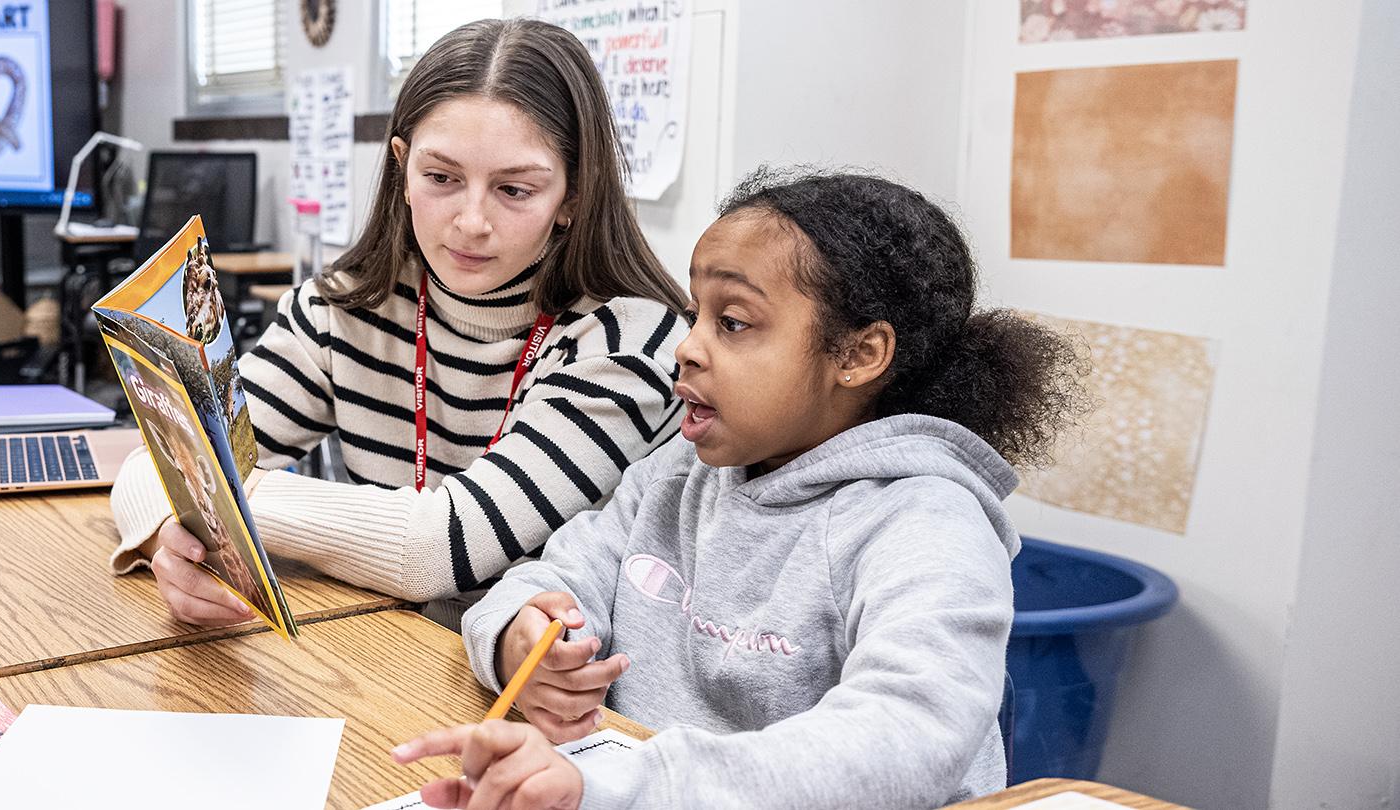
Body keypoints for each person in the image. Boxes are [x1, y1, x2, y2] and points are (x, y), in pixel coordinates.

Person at [393, 168, 1091, 808]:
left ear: (857, 355)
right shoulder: (679, 473)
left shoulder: (927, 523)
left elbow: (904, 740)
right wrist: (522, 636)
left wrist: (617, 787)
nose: (688, 347)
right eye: (697, 315)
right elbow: (553, 573)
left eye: (732, 323)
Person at [108, 18, 689, 628]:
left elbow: (438, 548)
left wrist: (216, 491)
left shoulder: (629, 344)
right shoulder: (345, 306)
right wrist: (166, 543)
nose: (470, 222)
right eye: (440, 178)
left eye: (514, 190)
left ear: (573, 196)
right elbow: (155, 460)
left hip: (538, 697)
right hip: (389, 653)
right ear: (401, 167)